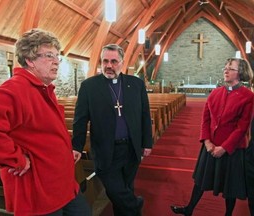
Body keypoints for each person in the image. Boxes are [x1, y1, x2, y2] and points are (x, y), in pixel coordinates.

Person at [0, 29, 91, 216]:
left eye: (57, 56)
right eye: (49, 55)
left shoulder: (42, 89)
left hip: (61, 183)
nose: (56, 61)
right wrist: (15, 159)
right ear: (30, 60)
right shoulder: (17, 88)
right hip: (40, 192)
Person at [72, 44, 153, 216]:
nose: (109, 65)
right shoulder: (89, 86)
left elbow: (145, 115)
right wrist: (76, 147)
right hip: (105, 150)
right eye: (105, 61)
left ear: (122, 63)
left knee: (125, 188)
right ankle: (135, 205)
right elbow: (80, 119)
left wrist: (147, 142)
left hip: (131, 148)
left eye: (114, 61)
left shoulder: (136, 84)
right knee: (116, 191)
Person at [171, 57, 254, 216]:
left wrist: (224, 148)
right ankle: (189, 209)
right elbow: (206, 119)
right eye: (225, 67)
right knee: (200, 181)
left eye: (231, 68)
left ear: (240, 73)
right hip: (211, 146)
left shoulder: (248, 96)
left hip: (232, 149)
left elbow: (242, 127)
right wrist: (207, 142)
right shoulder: (215, 92)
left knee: (230, 187)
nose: (226, 70)